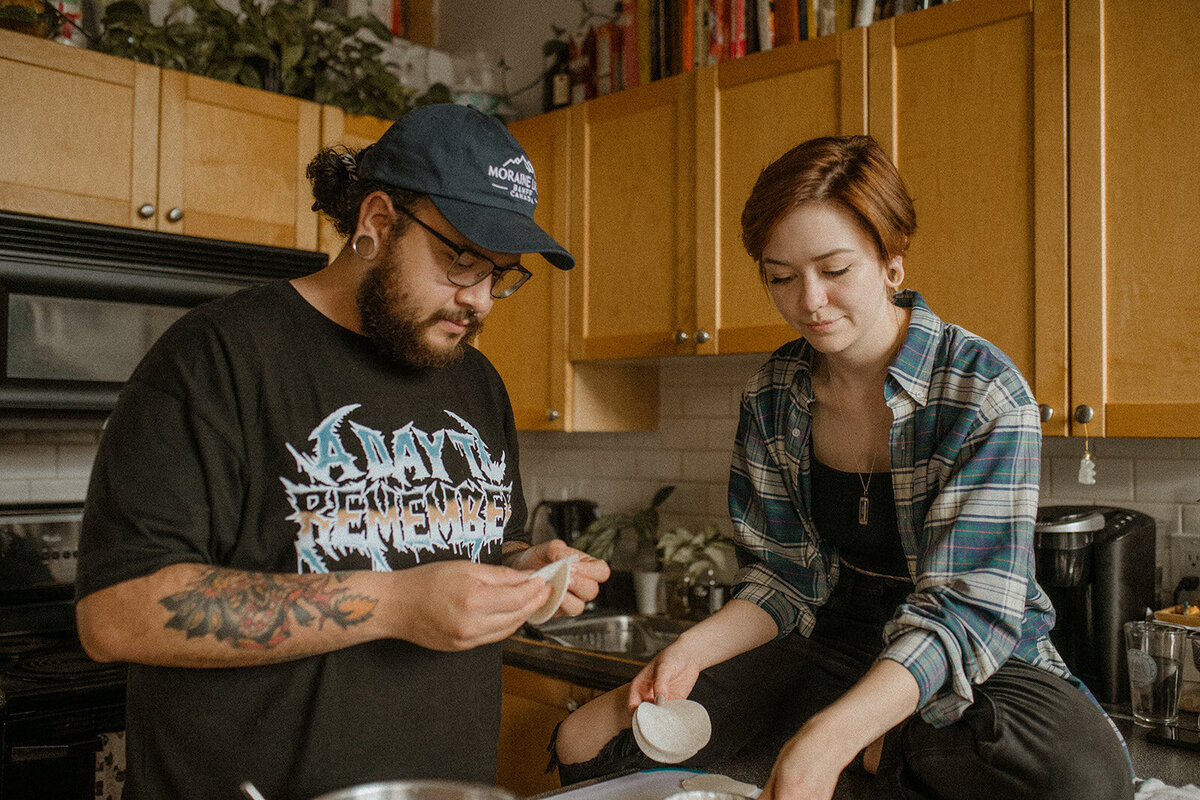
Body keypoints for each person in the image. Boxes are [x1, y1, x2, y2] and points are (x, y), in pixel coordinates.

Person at [552, 135, 1134, 800]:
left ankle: (856, 747)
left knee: (1080, 777)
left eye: (834, 269)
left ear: (890, 261)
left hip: (967, 650)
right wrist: (692, 650)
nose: (810, 302)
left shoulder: (982, 392)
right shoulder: (774, 395)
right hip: (823, 634)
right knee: (591, 737)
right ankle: (868, 753)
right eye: (781, 277)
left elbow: (965, 613)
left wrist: (827, 737)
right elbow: (781, 580)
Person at [74, 103, 609, 800]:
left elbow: (462, 546)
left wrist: (522, 570)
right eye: (462, 260)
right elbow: (115, 613)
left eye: (501, 274)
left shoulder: (474, 381)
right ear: (378, 222)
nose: (479, 301)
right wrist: (392, 604)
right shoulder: (218, 358)